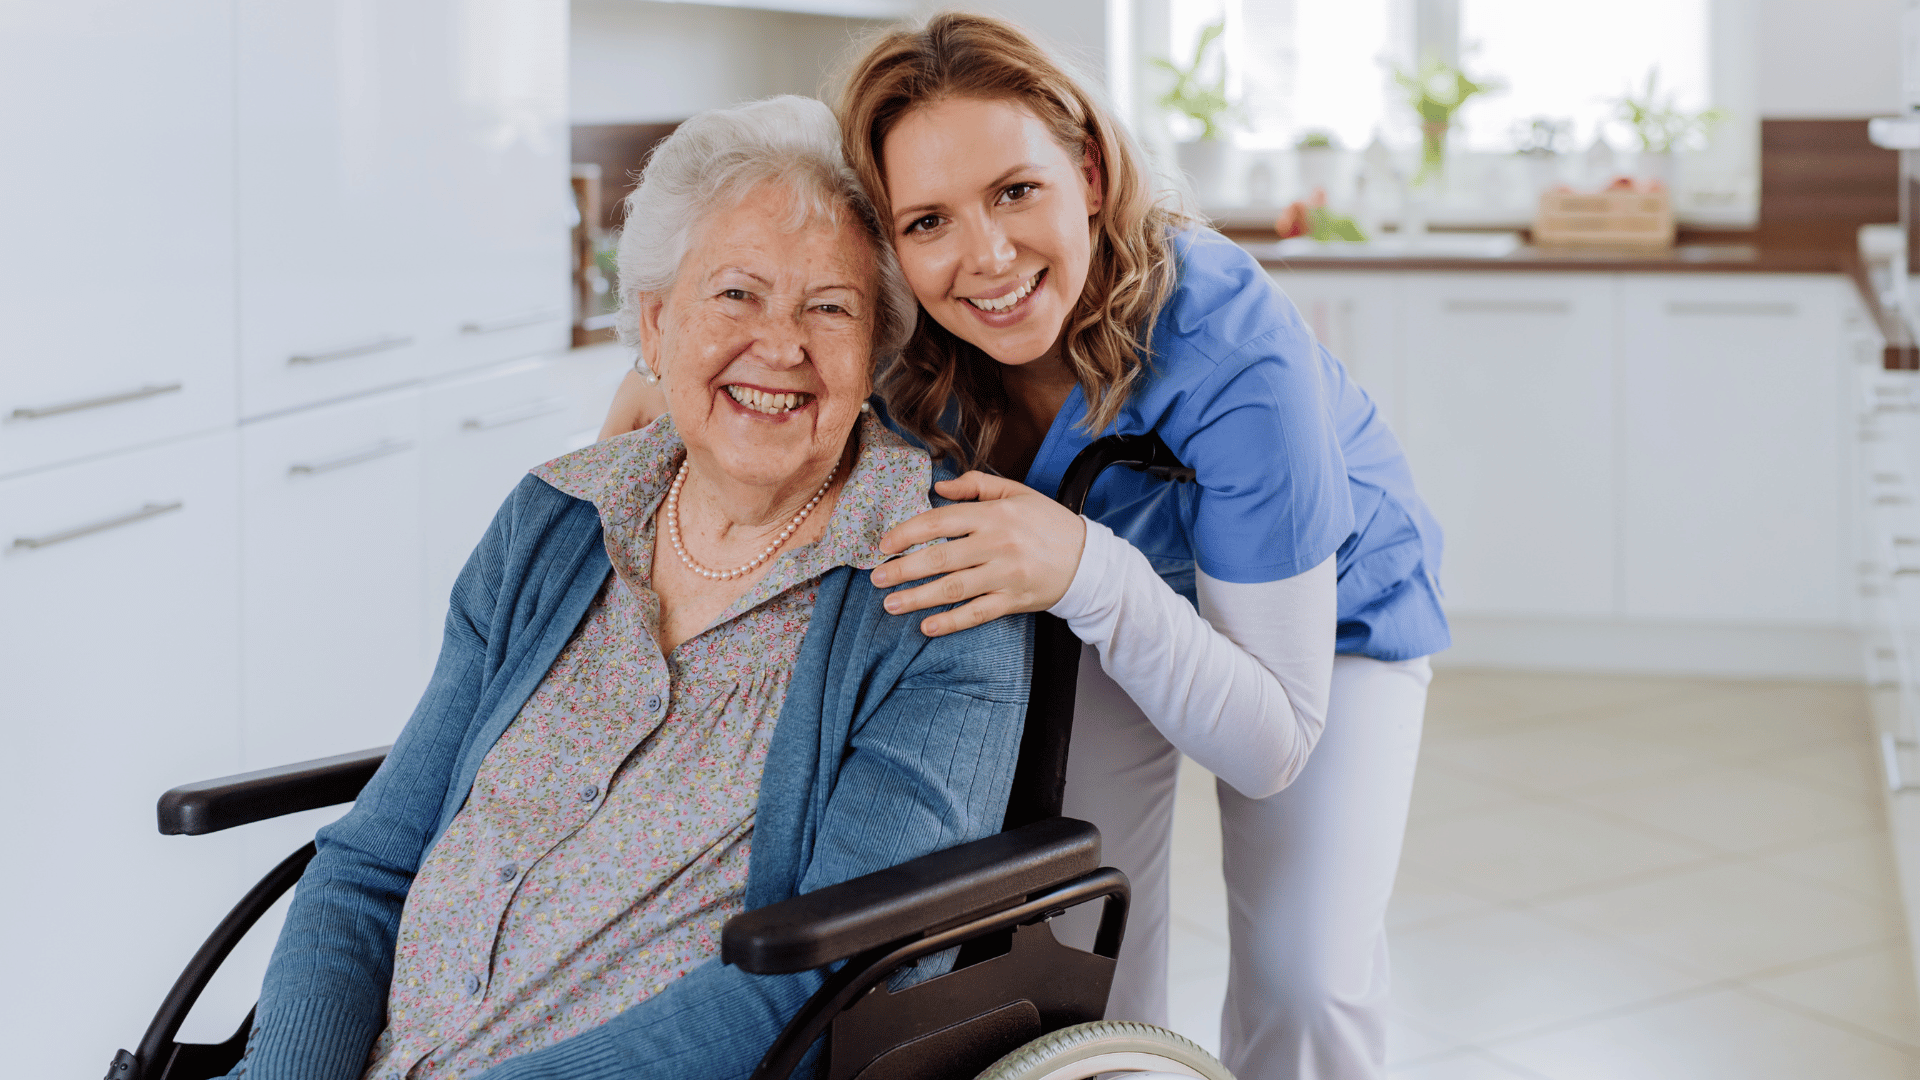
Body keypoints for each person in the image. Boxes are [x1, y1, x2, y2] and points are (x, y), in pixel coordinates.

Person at [595, 15, 1449, 1080]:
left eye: (1015, 191)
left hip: (1324, 623)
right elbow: (778, 350)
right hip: (1083, 600)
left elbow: (1272, 743)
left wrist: (1089, 568)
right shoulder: (906, 347)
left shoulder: (1231, 349)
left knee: (1304, 980)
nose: (986, 258)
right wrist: (671, 364)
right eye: (928, 221)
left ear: (1088, 172)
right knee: (1082, 946)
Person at [229, 95, 1030, 1080]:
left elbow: (834, 980)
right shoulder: (554, 521)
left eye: (829, 306)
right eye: (736, 294)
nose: (780, 346)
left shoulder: (938, 583)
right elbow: (365, 871)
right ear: (656, 322)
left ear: (874, 356)